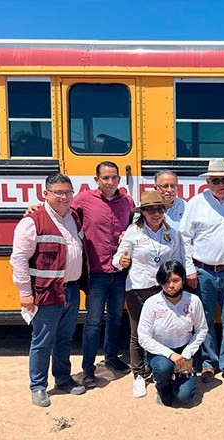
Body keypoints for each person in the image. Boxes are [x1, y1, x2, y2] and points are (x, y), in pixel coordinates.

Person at [24, 161, 135, 389]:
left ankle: (112, 358)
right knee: (93, 322)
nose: (111, 182)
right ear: (96, 180)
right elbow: (59, 210)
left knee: (115, 318)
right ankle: (88, 369)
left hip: (120, 273)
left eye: (114, 177)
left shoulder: (127, 202)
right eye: (105, 178)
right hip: (95, 274)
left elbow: (135, 227)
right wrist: (36, 208)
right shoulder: (83, 200)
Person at [11, 173, 88, 407]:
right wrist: (25, 292)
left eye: (68, 192)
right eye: (59, 193)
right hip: (46, 293)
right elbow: (19, 259)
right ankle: (38, 386)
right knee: (43, 341)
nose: (64, 197)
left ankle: (63, 378)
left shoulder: (73, 217)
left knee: (64, 339)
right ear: (46, 194)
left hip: (71, 291)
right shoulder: (33, 221)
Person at [179, 158, 224, 387]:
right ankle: (208, 363)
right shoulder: (196, 203)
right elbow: (185, 238)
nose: (221, 184)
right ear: (207, 181)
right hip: (202, 271)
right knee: (203, 320)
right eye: (215, 180)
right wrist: (189, 269)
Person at [113, 190, 185, 398]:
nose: (156, 214)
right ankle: (139, 375)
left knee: (165, 329)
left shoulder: (171, 233)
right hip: (138, 288)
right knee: (138, 333)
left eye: (160, 209)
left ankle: (163, 368)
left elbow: (178, 258)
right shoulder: (133, 232)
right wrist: (122, 262)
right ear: (143, 212)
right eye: (151, 210)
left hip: (164, 289)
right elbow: (117, 259)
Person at [138, 261, 208, 407]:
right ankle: (163, 388)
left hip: (185, 352)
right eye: (166, 281)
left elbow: (202, 330)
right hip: (161, 354)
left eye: (175, 281)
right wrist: (170, 354)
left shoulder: (193, 301)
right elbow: (143, 337)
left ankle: (180, 377)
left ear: (183, 280)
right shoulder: (151, 303)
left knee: (184, 396)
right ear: (160, 282)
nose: (171, 286)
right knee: (163, 368)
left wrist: (187, 353)